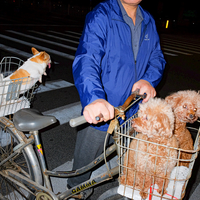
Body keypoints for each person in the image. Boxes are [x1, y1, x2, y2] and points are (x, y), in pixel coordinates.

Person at [67, 0, 166, 199]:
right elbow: (87, 57)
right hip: (104, 108)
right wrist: (94, 98)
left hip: (133, 108)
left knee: (132, 162)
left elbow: (157, 57)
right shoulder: (103, 14)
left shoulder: (148, 21)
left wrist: (148, 79)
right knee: (83, 168)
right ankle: (76, 192)